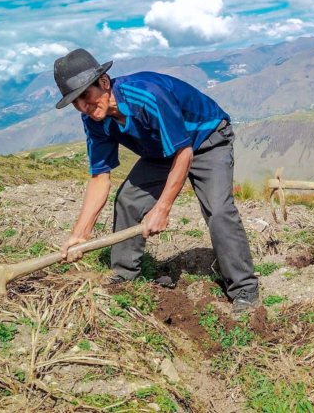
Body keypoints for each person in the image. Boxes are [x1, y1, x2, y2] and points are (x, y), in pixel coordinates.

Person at [52, 48, 259, 316]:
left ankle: (244, 288)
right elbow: (100, 177)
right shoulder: (94, 120)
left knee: (218, 211)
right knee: (128, 200)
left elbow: (185, 154)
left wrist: (162, 208)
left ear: (103, 82)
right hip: (162, 150)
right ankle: (124, 275)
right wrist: (80, 232)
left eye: (85, 96)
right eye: (75, 103)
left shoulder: (146, 95)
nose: (84, 107)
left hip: (207, 139)